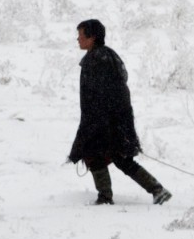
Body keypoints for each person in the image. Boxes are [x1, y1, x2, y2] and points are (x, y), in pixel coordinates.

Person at [67, 19, 172, 206]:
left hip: (105, 121)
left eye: (81, 35)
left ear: (92, 38)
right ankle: (157, 190)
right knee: (119, 158)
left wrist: (97, 124)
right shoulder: (107, 56)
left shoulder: (97, 60)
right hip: (115, 119)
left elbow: (102, 95)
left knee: (97, 155)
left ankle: (106, 198)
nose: (78, 39)